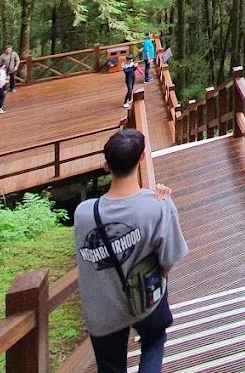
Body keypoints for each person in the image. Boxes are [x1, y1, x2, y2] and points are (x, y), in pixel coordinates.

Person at [74, 129, 186, 373]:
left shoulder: (83, 213)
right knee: (154, 341)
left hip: (102, 308)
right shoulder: (157, 206)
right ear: (142, 158)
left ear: (106, 165)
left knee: (110, 366)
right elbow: (168, 261)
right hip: (146, 298)